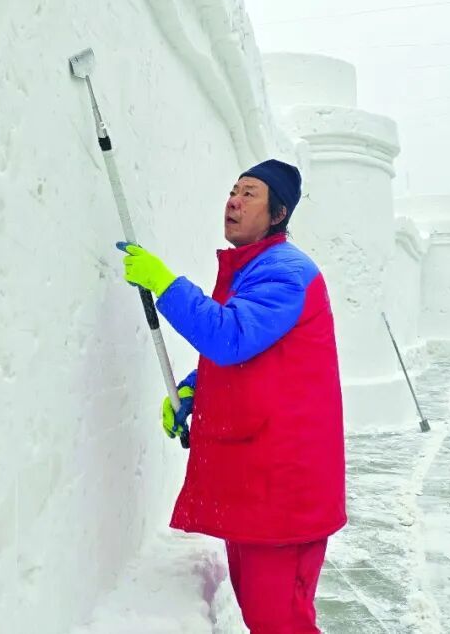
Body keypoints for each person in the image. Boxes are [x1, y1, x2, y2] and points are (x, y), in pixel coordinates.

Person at [117, 159, 345, 634]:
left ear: (278, 213)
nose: (233, 200)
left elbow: (231, 335)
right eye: (233, 190)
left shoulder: (284, 272)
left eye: (250, 193)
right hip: (261, 485)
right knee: (262, 615)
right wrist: (194, 389)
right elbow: (252, 357)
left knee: (280, 621)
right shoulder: (255, 267)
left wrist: (166, 284)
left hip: (287, 490)